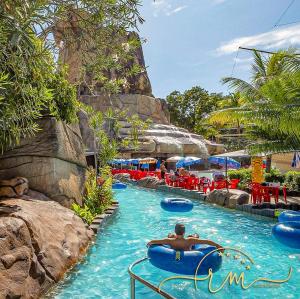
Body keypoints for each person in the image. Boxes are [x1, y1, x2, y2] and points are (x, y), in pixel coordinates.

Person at [147, 223, 223, 252]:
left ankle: (174, 234)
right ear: (184, 232)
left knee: (170, 235)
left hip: (174, 243)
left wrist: (149, 243)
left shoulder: (169, 241)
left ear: (175, 231)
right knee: (195, 236)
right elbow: (207, 241)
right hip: (188, 250)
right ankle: (194, 235)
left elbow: (154, 241)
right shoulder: (190, 240)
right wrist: (218, 246)